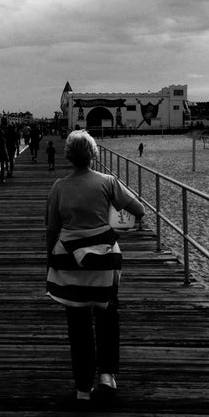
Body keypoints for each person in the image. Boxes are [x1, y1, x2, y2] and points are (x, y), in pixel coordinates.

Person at [45, 130, 145, 401]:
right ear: (93, 154)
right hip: (104, 262)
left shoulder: (58, 188)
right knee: (108, 317)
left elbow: (52, 231)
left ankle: (82, 387)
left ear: (68, 156)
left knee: (77, 324)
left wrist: (50, 263)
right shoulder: (108, 182)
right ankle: (107, 375)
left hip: (70, 263)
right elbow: (139, 210)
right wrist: (117, 220)